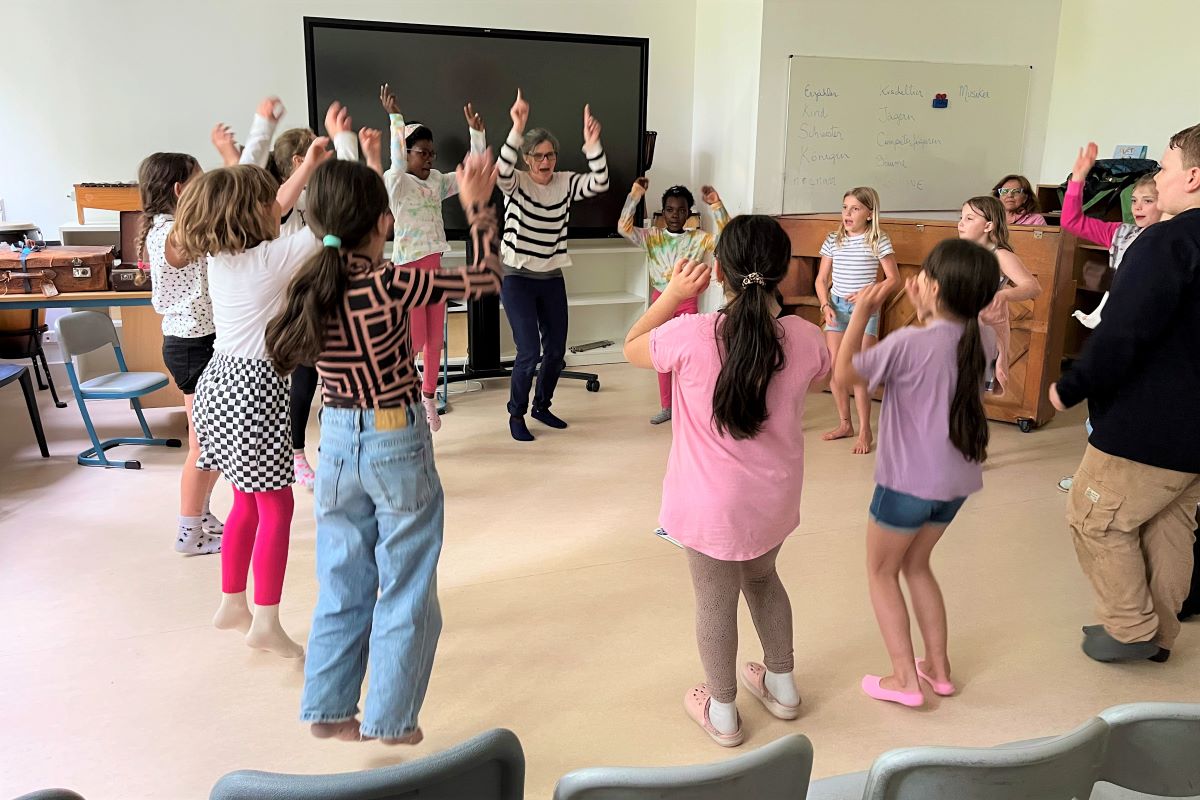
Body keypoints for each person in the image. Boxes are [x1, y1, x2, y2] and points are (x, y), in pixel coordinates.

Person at [266, 150, 503, 743]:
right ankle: (392, 720)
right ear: (384, 223)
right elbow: (484, 280)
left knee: (343, 577)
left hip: (337, 440)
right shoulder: (392, 281)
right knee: (407, 578)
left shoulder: (305, 288)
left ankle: (327, 706)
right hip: (395, 431)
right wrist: (476, 209)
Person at [624, 216, 830, 746]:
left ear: (718, 272)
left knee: (714, 600)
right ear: (785, 274)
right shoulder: (805, 338)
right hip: (774, 502)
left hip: (707, 509)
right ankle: (783, 687)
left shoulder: (690, 335)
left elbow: (632, 345)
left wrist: (671, 293)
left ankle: (722, 712)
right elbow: (827, 369)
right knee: (764, 580)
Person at [168, 102, 351, 659]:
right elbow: (338, 220)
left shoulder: (223, 254)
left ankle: (232, 601)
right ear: (254, 218)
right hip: (254, 388)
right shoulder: (274, 258)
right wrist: (340, 152)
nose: (278, 205)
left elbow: (267, 201)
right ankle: (266, 620)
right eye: (266, 203)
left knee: (246, 499)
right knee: (277, 507)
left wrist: (306, 163)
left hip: (218, 381)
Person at [1050, 123, 1200, 664]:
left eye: (1163, 167)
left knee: (1095, 517)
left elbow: (1125, 330)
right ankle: (1160, 635)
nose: (1157, 179)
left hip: (1150, 421)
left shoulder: (1168, 240)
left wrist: (1073, 384)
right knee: (1170, 524)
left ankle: (1132, 632)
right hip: (1191, 432)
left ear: (1193, 175)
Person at [834, 239, 999, 708]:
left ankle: (905, 679)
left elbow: (843, 377)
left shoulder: (909, 342)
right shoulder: (982, 337)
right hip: (957, 482)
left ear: (936, 288)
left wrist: (863, 314)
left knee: (881, 572)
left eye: (923, 276)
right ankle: (939, 671)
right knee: (917, 564)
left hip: (907, 482)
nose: (914, 282)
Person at [497, 89, 609, 442]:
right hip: (516, 277)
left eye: (551, 155)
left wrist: (592, 145)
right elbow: (500, 170)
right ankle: (516, 414)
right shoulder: (515, 182)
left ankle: (541, 405)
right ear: (527, 159)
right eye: (539, 156)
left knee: (557, 351)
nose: (546, 162)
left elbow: (600, 182)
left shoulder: (565, 182)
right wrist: (517, 127)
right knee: (529, 351)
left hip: (550, 277)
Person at [377, 83, 486, 431]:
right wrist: (396, 118)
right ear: (406, 153)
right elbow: (395, 162)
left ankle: (427, 397)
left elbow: (472, 172)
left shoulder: (437, 181)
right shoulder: (395, 182)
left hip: (434, 270)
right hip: (408, 273)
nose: (428, 159)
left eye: (431, 154)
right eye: (421, 153)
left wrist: (477, 135)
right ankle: (398, 397)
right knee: (414, 340)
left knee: (436, 340)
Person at [1056, 142, 1162, 493]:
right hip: (1117, 333)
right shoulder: (1121, 234)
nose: (1139, 208)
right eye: (1134, 200)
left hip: (1153, 339)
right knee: (1101, 408)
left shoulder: (1175, 239)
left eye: (1148, 200)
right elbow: (1072, 220)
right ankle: (1095, 476)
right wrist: (1080, 178)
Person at [138, 151, 223, 556]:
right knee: (203, 445)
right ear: (179, 189)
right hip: (190, 346)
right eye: (201, 180)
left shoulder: (176, 227)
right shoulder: (169, 233)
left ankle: (201, 511)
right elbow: (197, 240)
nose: (208, 187)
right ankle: (188, 532)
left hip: (202, 340)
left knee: (214, 442)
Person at [618, 178, 729, 424]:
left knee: (690, 355)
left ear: (689, 212)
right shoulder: (653, 236)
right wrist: (635, 194)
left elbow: (728, 235)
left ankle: (690, 406)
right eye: (670, 209)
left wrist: (717, 205)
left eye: (681, 210)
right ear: (663, 211)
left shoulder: (699, 238)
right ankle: (668, 407)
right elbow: (624, 227)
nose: (675, 215)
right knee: (662, 355)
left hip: (688, 304)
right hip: (661, 303)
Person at [814, 187, 900, 454]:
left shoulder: (879, 241)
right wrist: (825, 304)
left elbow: (894, 279)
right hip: (836, 308)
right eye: (844, 208)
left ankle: (865, 430)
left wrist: (868, 294)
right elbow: (821, 280)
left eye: (855, 209)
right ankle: (845, 424)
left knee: (859, 372)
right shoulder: (832, 239)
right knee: (837, 372)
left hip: (865, 310)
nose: (847, 214)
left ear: (870, 214)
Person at [957, 196, 1042, 395]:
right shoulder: (960, 252)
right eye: (961, 217)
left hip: (981, 334)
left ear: (988, 226)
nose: (961, 223)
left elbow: (1032, 286)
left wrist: (1004, 295)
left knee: (967, 396)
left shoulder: (1000, 255)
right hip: (955, 330)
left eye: (969, 219)